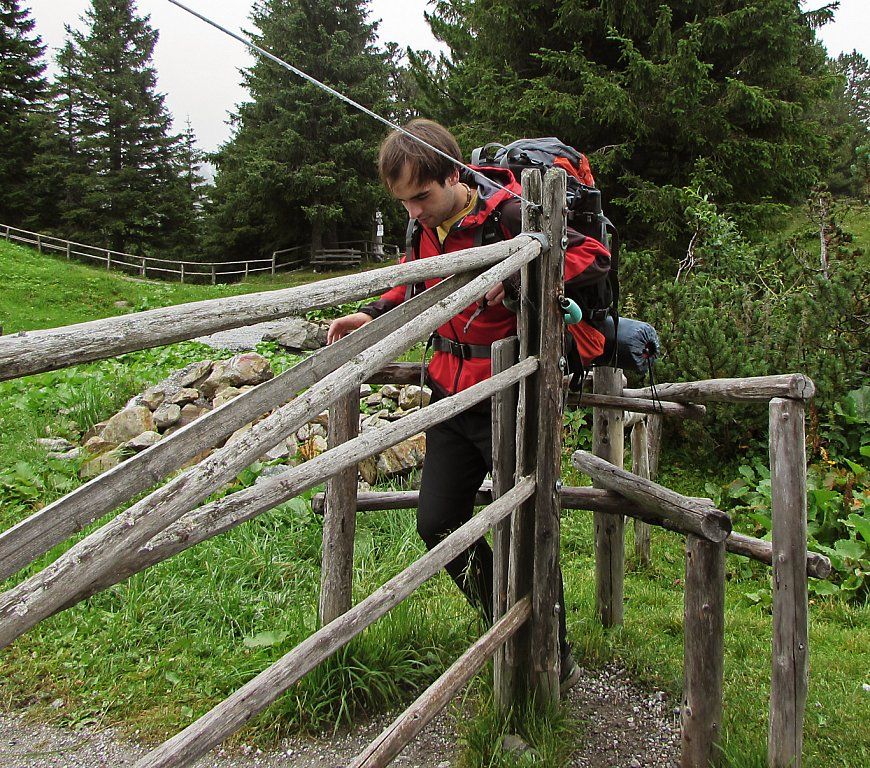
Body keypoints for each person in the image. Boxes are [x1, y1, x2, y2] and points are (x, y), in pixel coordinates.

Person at [328, 119, 611, 693]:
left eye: (421, 197)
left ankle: (551, 652)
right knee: (438, 523)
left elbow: (594, 259)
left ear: (453, 175)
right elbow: (415, 286)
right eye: (403, 202)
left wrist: (511, 279)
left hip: (509, 393)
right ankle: (503, 615)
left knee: (526, 524)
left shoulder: (507, 214)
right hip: (448, 391)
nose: (413, 212)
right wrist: (373, 317)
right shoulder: (422, 230)